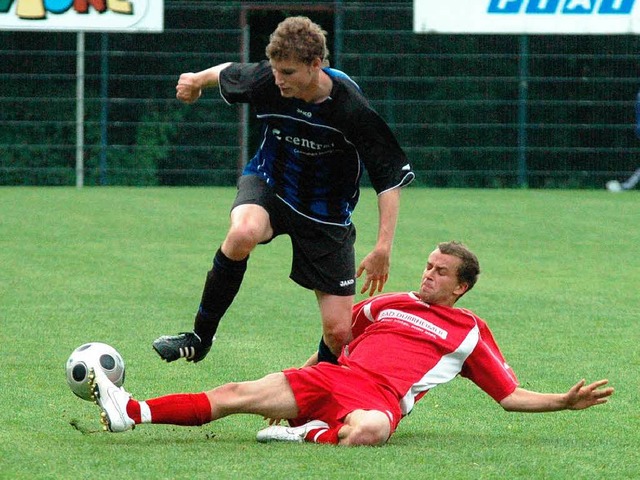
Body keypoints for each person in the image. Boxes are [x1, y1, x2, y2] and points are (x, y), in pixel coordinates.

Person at [91, 241, 614, 447]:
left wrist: (563, 402)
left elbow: (508, 395)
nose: (428, 275)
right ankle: (130, 410)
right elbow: (335, 340)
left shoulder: (468, 331)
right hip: (334, 378)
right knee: (237, 392)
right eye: (428, 266)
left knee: (371, 430)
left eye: (441, 272)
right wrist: (295, 381)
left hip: (379, 399)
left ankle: (308, 434)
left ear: (462, 287)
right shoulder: (388, 304)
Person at [152, 16, 415, 365]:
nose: (279, 79)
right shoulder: (269, 80)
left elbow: (388, 176)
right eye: (276, 69)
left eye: (288, 72)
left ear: (315, 65)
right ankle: (200, 336)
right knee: (243, 231)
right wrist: (196, 81)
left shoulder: (350, 106)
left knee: (338, 333)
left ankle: (309, 395)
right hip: (270, 184)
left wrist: (383, 247)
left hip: (326, 211)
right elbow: (229, 71)